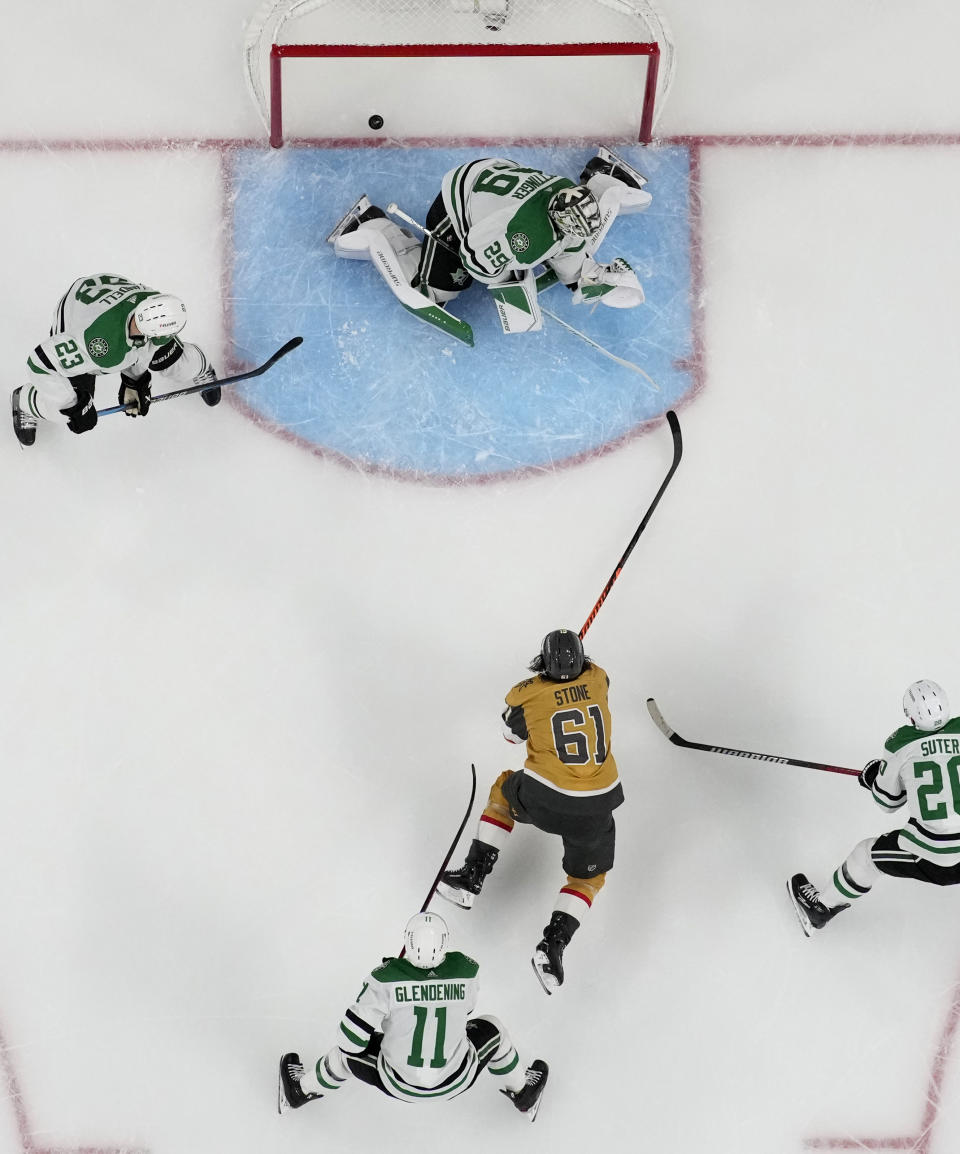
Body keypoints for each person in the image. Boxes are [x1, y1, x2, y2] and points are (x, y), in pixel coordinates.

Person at [438, 629, 621, 993]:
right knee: (587, 879)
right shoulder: (599, 679)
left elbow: (511, 737)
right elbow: (586, 678)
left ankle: (473, 876)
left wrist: (539, 686)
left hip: (546, 799)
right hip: (597, 807)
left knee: (503, 789)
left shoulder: (527, 695)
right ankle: (554, 945)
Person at [328, 147, 651, 342]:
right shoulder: (523, 236)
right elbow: (474, 258)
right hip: (458, 202)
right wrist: (510, 282)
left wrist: (584, 275)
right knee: (432, 291)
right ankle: (369, 223)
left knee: (563, 243)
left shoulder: (565, 195)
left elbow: (570, 240)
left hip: (495, 176)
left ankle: (606, 174)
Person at [278, 911, 548, 1119]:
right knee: (494, 1029)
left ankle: (298, 1092)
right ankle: (523, 1093)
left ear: (407, 940)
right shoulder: (468, 969)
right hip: (456, 1079)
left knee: (343, 1057)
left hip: (398, 1082)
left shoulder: (385, 978)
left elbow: (350, 1041)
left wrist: (381, 996)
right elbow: (465, 1011)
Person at [788, 679, 960, 936]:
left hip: (939, 857)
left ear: (910, 715)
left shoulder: (900, 742)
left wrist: (873, 779)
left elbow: (888, 802)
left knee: (866, 856)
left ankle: (820, 910)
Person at [11, 274, 220, 447]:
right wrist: (73, 405)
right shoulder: (98, 343)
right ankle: (25, 399)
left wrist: (135, 380)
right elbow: (39, 363)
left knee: (180, 366)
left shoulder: (157, 307)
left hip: (108, 297)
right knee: (62, 412)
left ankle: (201, 367)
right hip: (77, 312)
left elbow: (143, 347)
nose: (136, 327)